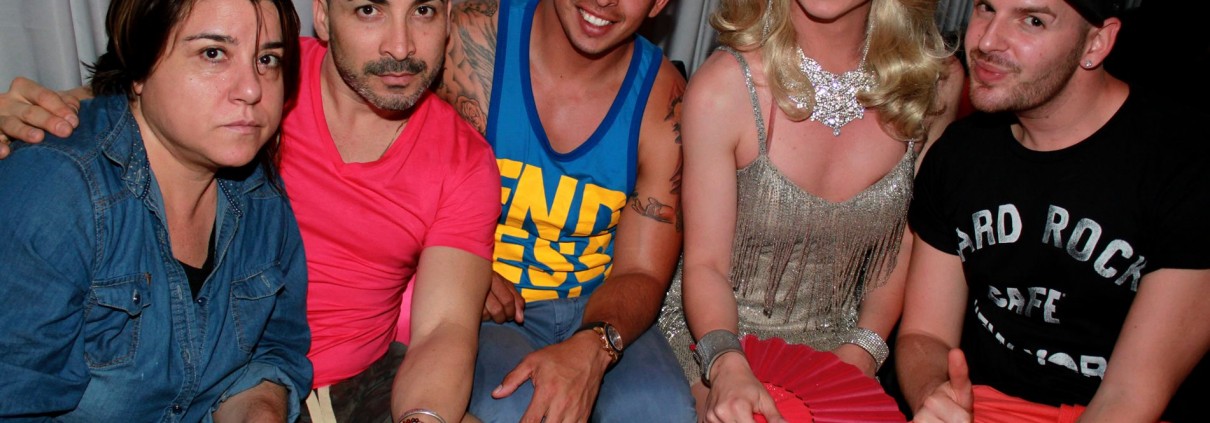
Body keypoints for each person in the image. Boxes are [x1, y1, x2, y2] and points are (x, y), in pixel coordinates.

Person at [0, 1, 501, 422]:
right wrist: (44, 116)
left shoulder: (257, 191)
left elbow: (442, 329)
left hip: (320, 381)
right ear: (323, 16)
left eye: (424, 10)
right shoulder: (247, 113)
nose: (401, 46)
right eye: (369, 9)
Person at [897, 0, 1210, 422]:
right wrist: (935, 396)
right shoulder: (959, 154)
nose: (987, 41)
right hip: (982, 406)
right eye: (987, 8)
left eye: (1032, 21)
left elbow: (1130, 396)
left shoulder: (1186, 165)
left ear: (1096, 43)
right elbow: (925, 333)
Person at [0, 0, 312, 421]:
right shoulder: (57, 190)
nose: (252, 89)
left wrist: (260, 411)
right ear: (140, 68)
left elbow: (272, 350)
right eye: (213, 53)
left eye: (266, 59)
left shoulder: (259, 193)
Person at [656, 0, 961, 421]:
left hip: (845, 341)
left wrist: (863, 350)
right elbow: (706, 265)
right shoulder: (725, 87)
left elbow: (903, 248)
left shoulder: (932, 84)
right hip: (714, 335)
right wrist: (726, 363)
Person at [436, 0, 694, 421]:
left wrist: (595, 346)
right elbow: (384, 170)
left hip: (600, 303)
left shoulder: (664, 102)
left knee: (659, 409)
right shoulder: (468, 36)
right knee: (516, 406)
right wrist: (456, 271)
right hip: (485, 304)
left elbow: (642, 271)